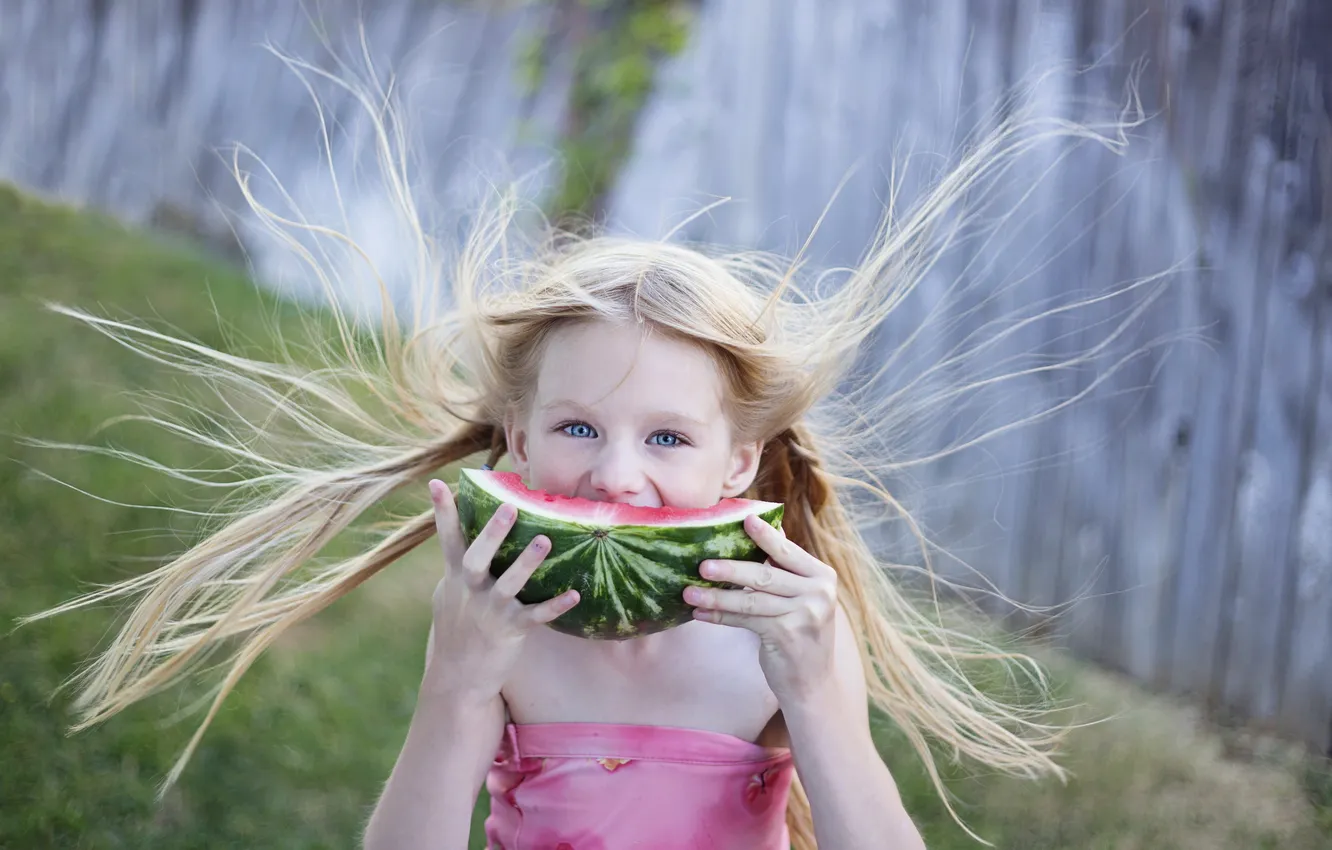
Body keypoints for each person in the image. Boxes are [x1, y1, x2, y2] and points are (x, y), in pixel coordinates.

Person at [28, 58, 1149, 849]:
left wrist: (819, 699)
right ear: (517, 440)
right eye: (578, 428)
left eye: (666, 436)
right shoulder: (502, 631)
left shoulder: (777, 647)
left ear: (738, 468)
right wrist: (459, 683)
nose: (616, 475)